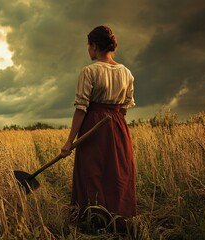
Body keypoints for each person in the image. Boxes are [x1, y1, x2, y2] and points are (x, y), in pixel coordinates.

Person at [61, 25, 137, 232]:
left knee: (92, 172)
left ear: (94, 46)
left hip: (94, 125)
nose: (88, 50)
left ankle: (93, 223)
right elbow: (123, 109)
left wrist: (69, 141)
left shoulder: (89, 71)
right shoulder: (127, 73)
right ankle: (117, 222)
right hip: (118, 127)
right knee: (116, 172)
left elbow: (81, 109)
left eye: (88, 45)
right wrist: (115, 126)